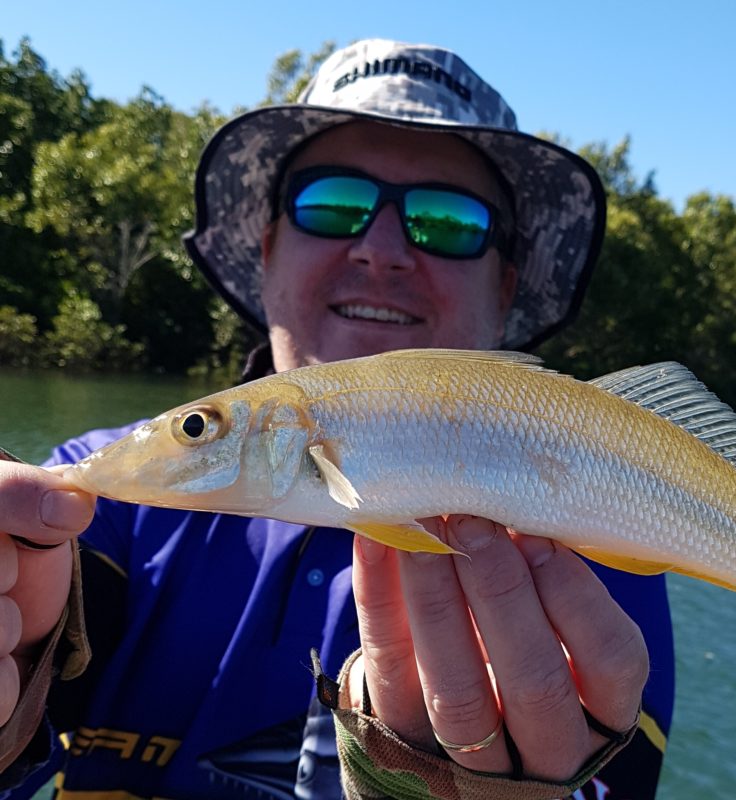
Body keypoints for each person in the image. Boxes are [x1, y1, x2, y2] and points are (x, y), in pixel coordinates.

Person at [0, 40, 675, 799]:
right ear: (267, 250)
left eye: (449, 221)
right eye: (332, 203)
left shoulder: (604, 530)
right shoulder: (105, 503)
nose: (379, 251)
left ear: (506, 283)